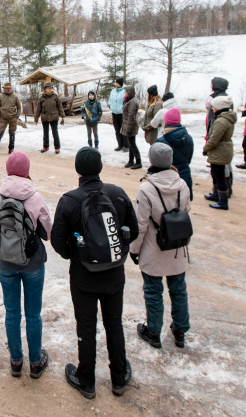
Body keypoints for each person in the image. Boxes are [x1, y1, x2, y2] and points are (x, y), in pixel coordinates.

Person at [52, 147, 138, 399]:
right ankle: (118, 377)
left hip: (83, 277)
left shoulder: (69, 201)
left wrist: (75, 255)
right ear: (100, 167)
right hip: (114, 273)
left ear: (77, 169)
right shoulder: (117, 194)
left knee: (86, 327)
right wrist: (117, 251)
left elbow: (57, 240)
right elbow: (133, 230)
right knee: (114, 324)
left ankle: (87, 380)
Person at [0, 151, 53, 379]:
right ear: (27, 171)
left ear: (7, 170)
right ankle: (35, 362)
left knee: (12, 312)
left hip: (5, 262)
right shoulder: (35, 198)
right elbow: (48, 233)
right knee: (33, 314)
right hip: (33, 264)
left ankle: (15, 361)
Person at [131, 142, 192, 349]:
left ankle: (154, 331)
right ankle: (180, 330)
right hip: (176, 247)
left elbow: (140, 225)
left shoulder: (146, 188)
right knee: (179, 289)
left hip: (153, 248)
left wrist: (134, 249)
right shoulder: (182, 184)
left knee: (153, 291)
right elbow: (186, 211)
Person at [203, 95, 236, 210]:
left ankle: (223, 201)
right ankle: (216, 194)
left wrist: (206, 148)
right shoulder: (226, 119)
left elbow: (214, 139)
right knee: (215, 173)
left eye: (214, 107)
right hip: (222, 149)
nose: (212, 109)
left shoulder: (221, 122)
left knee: (219, 175)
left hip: (220, 151)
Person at [204, 78, 233, 198]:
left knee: (220, 169)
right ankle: (219, 191)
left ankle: (223, 192)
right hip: (216, 137)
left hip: (218, 139)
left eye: (211, 83)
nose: (210, 85)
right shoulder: (220, 97)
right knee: (217, 169)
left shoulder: (221, 100)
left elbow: (215, 121)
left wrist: (210, 138)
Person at [158, 107, 194, 200]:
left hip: (167, 178)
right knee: (183, 202)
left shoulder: (161, 141)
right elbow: (189, 158)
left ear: (166, 122)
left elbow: (157, 163)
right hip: (185, 175)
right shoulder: (188, 138)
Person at [0, 82, 22, 158]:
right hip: (3, 119)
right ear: (4, 89)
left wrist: (17, 116)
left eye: (10, 88)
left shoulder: (15, 96)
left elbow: (19, 106)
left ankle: (11, 149)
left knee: (12, 134)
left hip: (13, 119)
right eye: (7, 88)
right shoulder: (0, 97)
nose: (9, 90)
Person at [34, 83, 65, 154]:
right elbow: (38, 109)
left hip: (54, 118)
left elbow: (60, 106)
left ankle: (57, 148)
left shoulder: (55, 97)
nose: (49, 89)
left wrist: (62, 115)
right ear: (45, 89)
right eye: (48, 88)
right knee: (45, 133)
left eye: (50, 88)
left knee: (55, 133)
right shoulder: (41, 98)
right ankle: (46, 146)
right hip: (45, 118)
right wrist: (36, 119)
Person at [121, 85, 142, 169]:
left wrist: (128, 129)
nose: (124, 93)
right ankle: (131, 161)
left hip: (131, 126)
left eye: (125, 91)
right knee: (131, 144)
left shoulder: (132, 102)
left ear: (129, 92)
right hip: (128, 125)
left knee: (132, 144)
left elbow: (131, 116)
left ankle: (138, 162)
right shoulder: (129, 100)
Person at [109, 78, 127, 152]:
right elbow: (110, 99)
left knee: (124, 129)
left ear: (121, 83)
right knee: (117, 130)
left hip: (122, 113)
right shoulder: (113, 91)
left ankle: (126, 145)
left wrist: (123, 108)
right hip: (114, 113)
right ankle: (120, 144)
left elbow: (126, 101)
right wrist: (110, 105)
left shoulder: (125, 90)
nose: (115, 84)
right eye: (115, 83)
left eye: (117, 83)